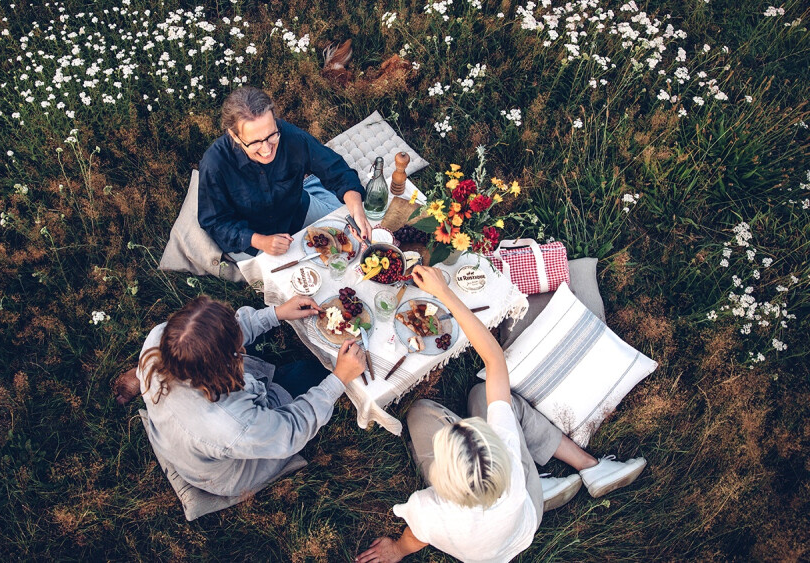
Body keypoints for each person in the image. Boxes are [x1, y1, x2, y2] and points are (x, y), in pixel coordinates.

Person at [356, 267, 647, 563]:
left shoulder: (430, 511)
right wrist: (444, 292)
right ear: (501, 454)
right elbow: (495, 361)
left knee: (419, 411)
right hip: (522, 508)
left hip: (515, 510)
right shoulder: (506, 452)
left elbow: (414, 538)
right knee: (484, 395)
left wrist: (397, 550)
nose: (464, 424)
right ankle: (584, 468)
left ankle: (541, 483)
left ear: (440, 481)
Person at [113, 294, 366, 497]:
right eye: (236, 348)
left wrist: (277, 313)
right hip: (228, 468)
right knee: (309, 371)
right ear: (223, 362)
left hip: (197, 432)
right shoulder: (232, 422)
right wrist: (339, 378)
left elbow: (222, 333)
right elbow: (291, 430)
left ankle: (137, 375)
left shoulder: (161, 337)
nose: (241, 344)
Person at [198, 86, 371, 257]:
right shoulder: (214, 164)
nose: (267, 149)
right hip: (251, 236)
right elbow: (214, 222)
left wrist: (357, 209)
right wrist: (259, 241)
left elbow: (336, 170)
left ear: (275, 120)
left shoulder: (291, 136)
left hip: (297, 211)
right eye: (255, 142)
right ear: (234, 135)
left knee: (348, 233)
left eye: (272, 135)